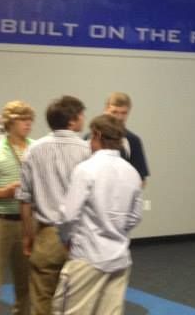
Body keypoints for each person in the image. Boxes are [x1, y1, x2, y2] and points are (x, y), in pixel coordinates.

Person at [53, 115, 143, 314]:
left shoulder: (85, 170)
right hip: (119, 256)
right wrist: (116, 229)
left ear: (97, 135)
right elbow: (135, 216)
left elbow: (68, 215)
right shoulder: (132, 172)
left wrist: (66, 238)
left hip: (88, 255)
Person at [18, 96, 90, 315]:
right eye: (81, 114)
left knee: (42, 298)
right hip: (79, 236)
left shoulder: (33, 150)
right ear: (72, 120)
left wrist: (28, 236)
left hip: (46, 234)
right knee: (77, 300)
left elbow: (24, 199)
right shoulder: (87, 151)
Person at [0, 101, 34, 315]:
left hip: (28, 222)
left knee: (27, 286)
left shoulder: (37, 148)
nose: (28, 124)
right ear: (9, 123)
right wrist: (2, 193)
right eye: (23, 119)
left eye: (30, 119)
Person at [100, 93, 149, 185]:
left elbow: (141, 179)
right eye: (114, 112)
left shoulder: (133, 141)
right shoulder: (90, 138)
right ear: (106, 110)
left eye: (123, 113)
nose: (119, 117)